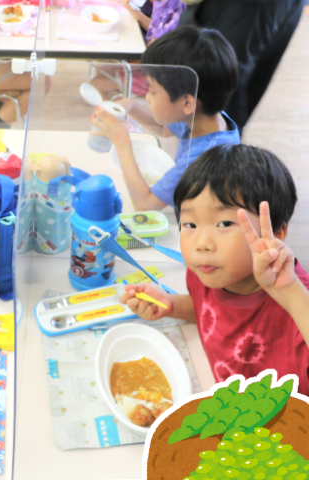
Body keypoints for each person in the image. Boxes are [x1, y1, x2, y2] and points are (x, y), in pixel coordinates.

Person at [120, 144, 309, 394]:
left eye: (224, 223)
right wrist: (172, 305)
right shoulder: (207, 271)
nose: (202, 244)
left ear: (275, 233)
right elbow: (209, 309)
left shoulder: (296, 302)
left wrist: (289, 292)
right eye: (190, 224)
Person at [91, 25, 240, 210]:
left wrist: (121, 141)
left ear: (187, 103)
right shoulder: (206, 118)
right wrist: (132, 106)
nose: (147, 97)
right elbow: (163, 128)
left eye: (153, 91)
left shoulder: (203, 160)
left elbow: (145, 205)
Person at [178, 0, 304, 135]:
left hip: (244, 7)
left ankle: (216, 151)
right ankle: (221, 149)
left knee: (215, 91)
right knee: (231, 91)